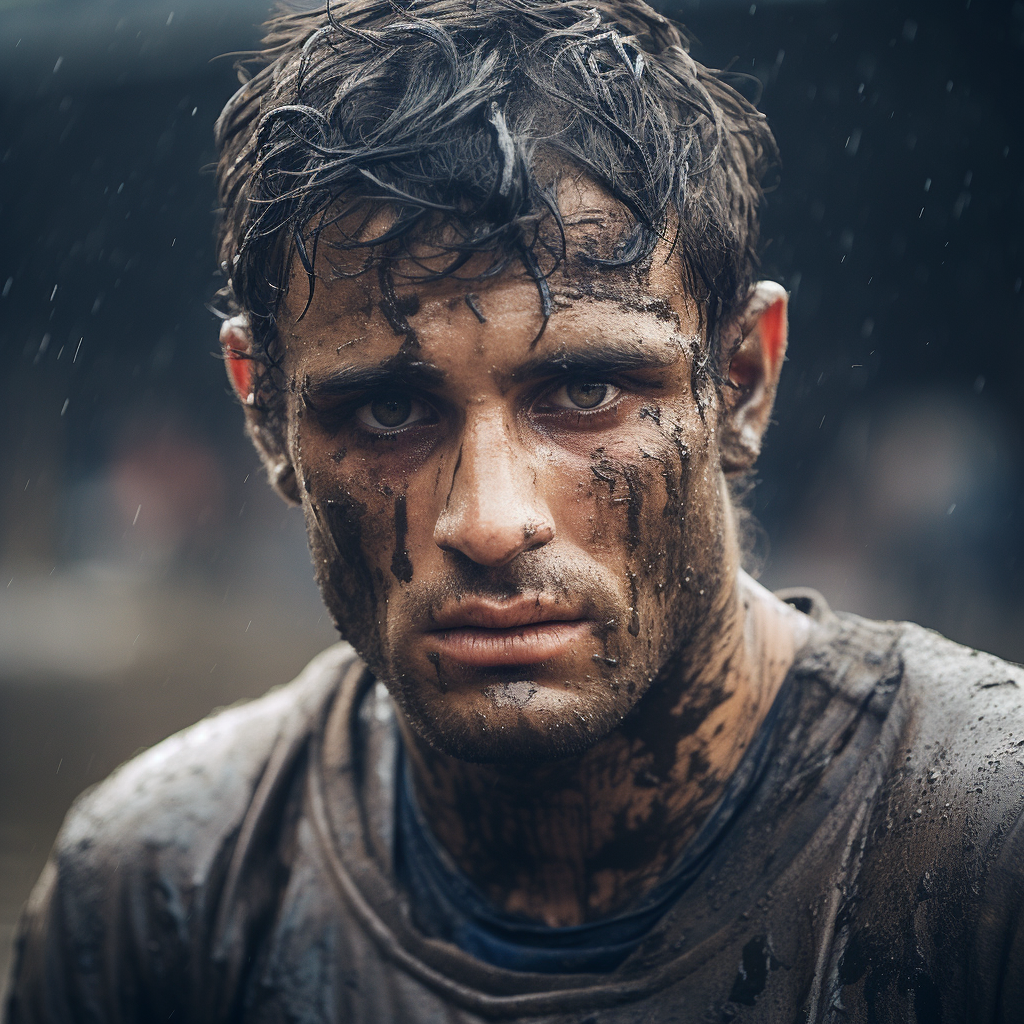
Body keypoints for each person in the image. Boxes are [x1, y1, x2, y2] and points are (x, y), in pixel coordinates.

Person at [6, 0, 1024, 1020]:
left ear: (743, 381)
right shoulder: (162, 890)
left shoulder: (986, 842)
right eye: (392, 408)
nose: (491, 521)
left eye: (585, 392)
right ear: (266, 415)